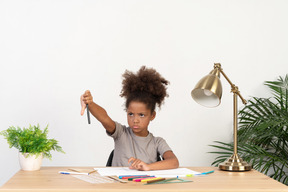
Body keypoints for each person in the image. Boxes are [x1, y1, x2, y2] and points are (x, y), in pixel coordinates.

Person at [80, 66, 179, 171]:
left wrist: (148, 167)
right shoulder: (120, 133)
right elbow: (104, 118)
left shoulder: (157, 142)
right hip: (118, 185)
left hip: (144, 186)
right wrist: (90, 104)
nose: (135, 120)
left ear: (152, 116)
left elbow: (174, 162)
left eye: (141, 115)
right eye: (131, 114)